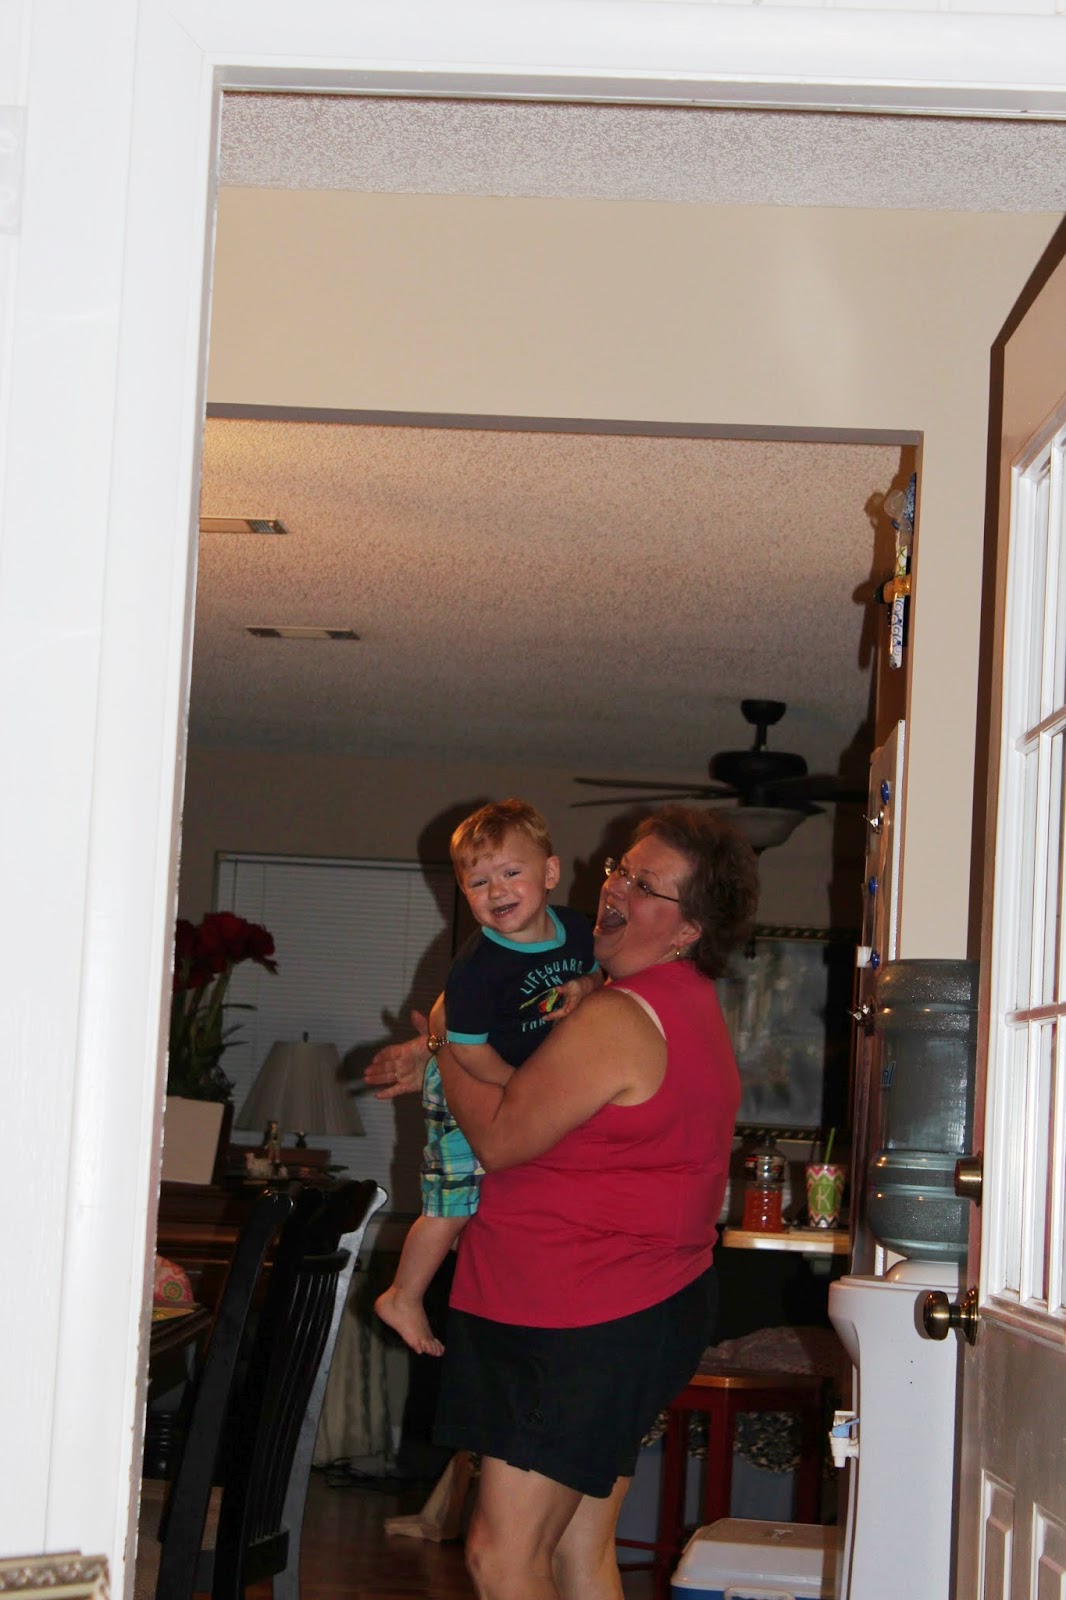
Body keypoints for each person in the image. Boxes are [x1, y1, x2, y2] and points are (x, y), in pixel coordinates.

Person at [366, 804, 759, 1600]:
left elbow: (499, 1138)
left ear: (688, 929)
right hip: (636, 1306)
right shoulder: (672, 1002)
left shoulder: (617, 1016)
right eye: (620, 868)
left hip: (574, 1315)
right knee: (581, 1554)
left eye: (644, 885)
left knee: (503, 1558)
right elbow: (545, 1072)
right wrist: (440, 1057)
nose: (614, 887)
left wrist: (443, 1043)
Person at [374, 798, 601, 1357]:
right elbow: (466, 1050)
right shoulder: (476, 969)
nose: (497, 891)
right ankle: (403, 1295)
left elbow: (599, 970)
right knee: (449, 1200)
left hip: (514, 1078)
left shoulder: (575, 929)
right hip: (468, 1078)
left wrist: (586, 986)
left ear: (550, 872)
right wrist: (518, 1088)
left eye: (511, 873)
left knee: (494, 1192)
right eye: (478, 882)